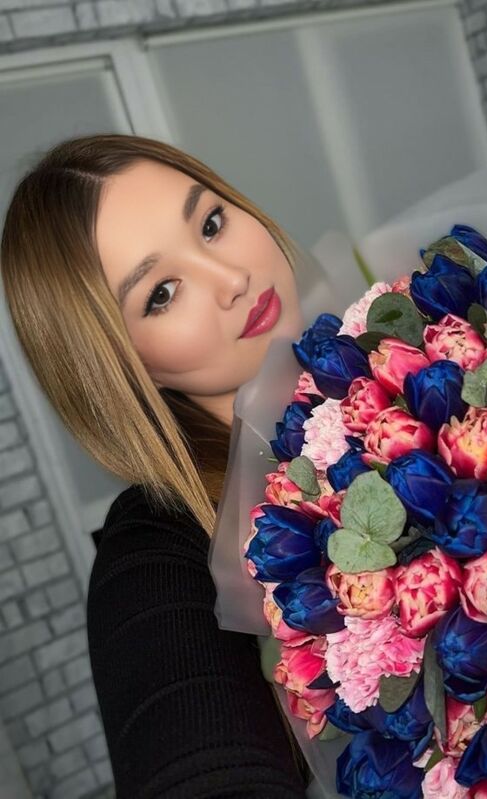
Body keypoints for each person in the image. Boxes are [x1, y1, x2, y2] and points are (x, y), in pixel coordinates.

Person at [0, 133, 311, 798]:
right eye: (162, 292)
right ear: (122, 366)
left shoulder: (422, 360)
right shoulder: (158, 548)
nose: (231, 279)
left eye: (212, 223)